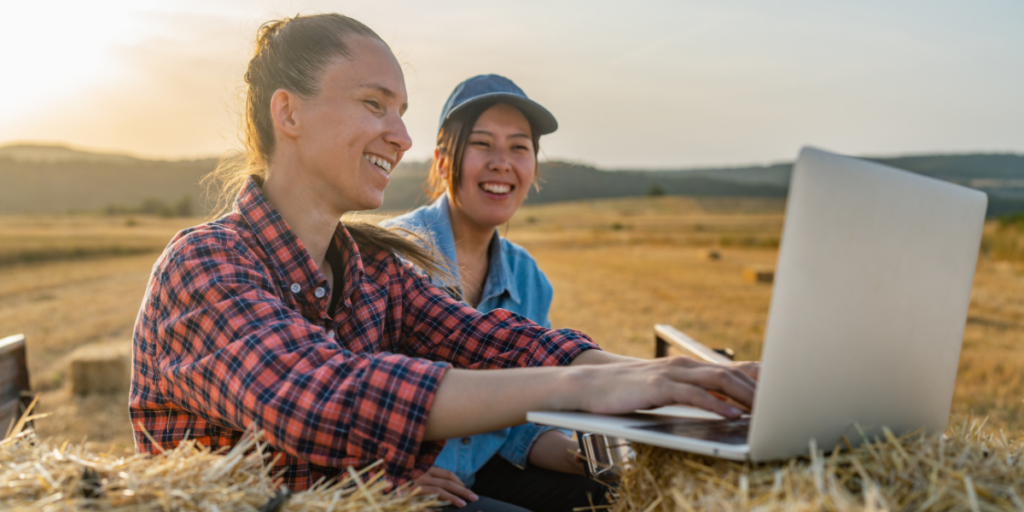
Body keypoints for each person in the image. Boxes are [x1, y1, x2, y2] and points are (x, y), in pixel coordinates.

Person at [129, 13, 758, 512]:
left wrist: (670, 377)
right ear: (289, 113)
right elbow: (320, 398)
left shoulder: (372, 267)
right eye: (375, 104)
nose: (401, 135)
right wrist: (588, 386)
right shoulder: (204, 264)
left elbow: (489, 339)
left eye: (401, 110)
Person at [385, 75, 602, 510]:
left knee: (609, 493)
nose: (502, 162)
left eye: (519, 147)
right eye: (482, 144)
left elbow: (520, 424)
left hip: (477, 473)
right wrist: (385, 472)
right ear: (444, 161)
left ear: (533, 168)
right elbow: (351, 395)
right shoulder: (396, 255)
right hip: (404, 485)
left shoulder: (528, 277)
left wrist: (589, 459)